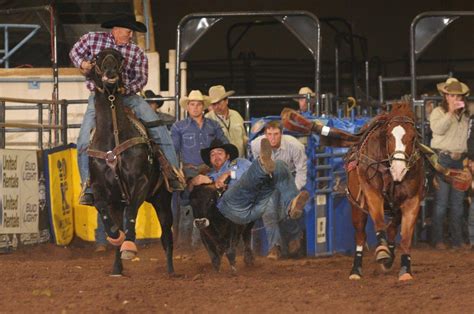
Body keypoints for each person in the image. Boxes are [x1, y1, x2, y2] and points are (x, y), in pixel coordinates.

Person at [69, 15, 184, 206]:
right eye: (128, 31)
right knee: (82, 140)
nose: (131, 36)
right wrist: (82, 64)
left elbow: (141, 78)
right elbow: (75, 52)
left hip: (128, 98)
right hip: (98, 98)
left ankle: (172, 173)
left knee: (159, 128)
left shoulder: (136, 52)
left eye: (131, 32)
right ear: (116, 29)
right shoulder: (92, 39)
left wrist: (124, 89)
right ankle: (88, 185)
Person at [189, 138, 309, 226]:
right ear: (210, 159)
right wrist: (192, 183)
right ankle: (262, 164)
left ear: (227, 156)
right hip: (234, 209)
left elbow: (246, 173)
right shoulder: (208, 177)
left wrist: (229, 173)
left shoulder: (240, 162)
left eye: (220, 153)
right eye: (212, 154)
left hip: (257, 199)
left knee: (280, 165)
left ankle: (291, 207)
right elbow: (185, 199)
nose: (216, 157)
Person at [171, 90, 229, 248]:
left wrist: (222, 170)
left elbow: (225, 145)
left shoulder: (213, 126)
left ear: (203, 107)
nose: (195, 107)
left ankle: (200, 244)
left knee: (201, 207)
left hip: (210, 171)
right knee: (187, 206)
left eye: (198, 104)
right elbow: (173, 151)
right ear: (188, 107)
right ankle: (185, 243)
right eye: (192, 104)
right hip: (189, 171)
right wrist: (178, 171)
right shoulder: (179, 127)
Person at [251, 120, 308, 259]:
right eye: (269, 134)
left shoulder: (295, 146)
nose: (272, 138)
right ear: (265, 134)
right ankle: (275, 246)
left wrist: (294, 190)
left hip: (289, 177)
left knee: (286, 209)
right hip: (269, 178)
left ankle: (294, 234)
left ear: (282, 134)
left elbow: (301, 170)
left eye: (276, 134)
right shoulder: (256, 145)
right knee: (268, 211)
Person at [430, 77, 470, 250]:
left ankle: (457, 241)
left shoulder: (466, 114)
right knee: (441, 203)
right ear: (446, 96)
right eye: (452, 96)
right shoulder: (438, 112)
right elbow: (437, 129)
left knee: (457, 204)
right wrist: (450, 113)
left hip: (460, 160)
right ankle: (438, 240)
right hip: (443, 160)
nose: (456, 99)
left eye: (458, 96)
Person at [205, 85, 247, 157]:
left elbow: (244, 138)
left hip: (239, 160)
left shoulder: (236, 115)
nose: (217, 107)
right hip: (219, 163)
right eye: (214, 104)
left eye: (219, 103)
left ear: (226, 101)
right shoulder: (208, 119)